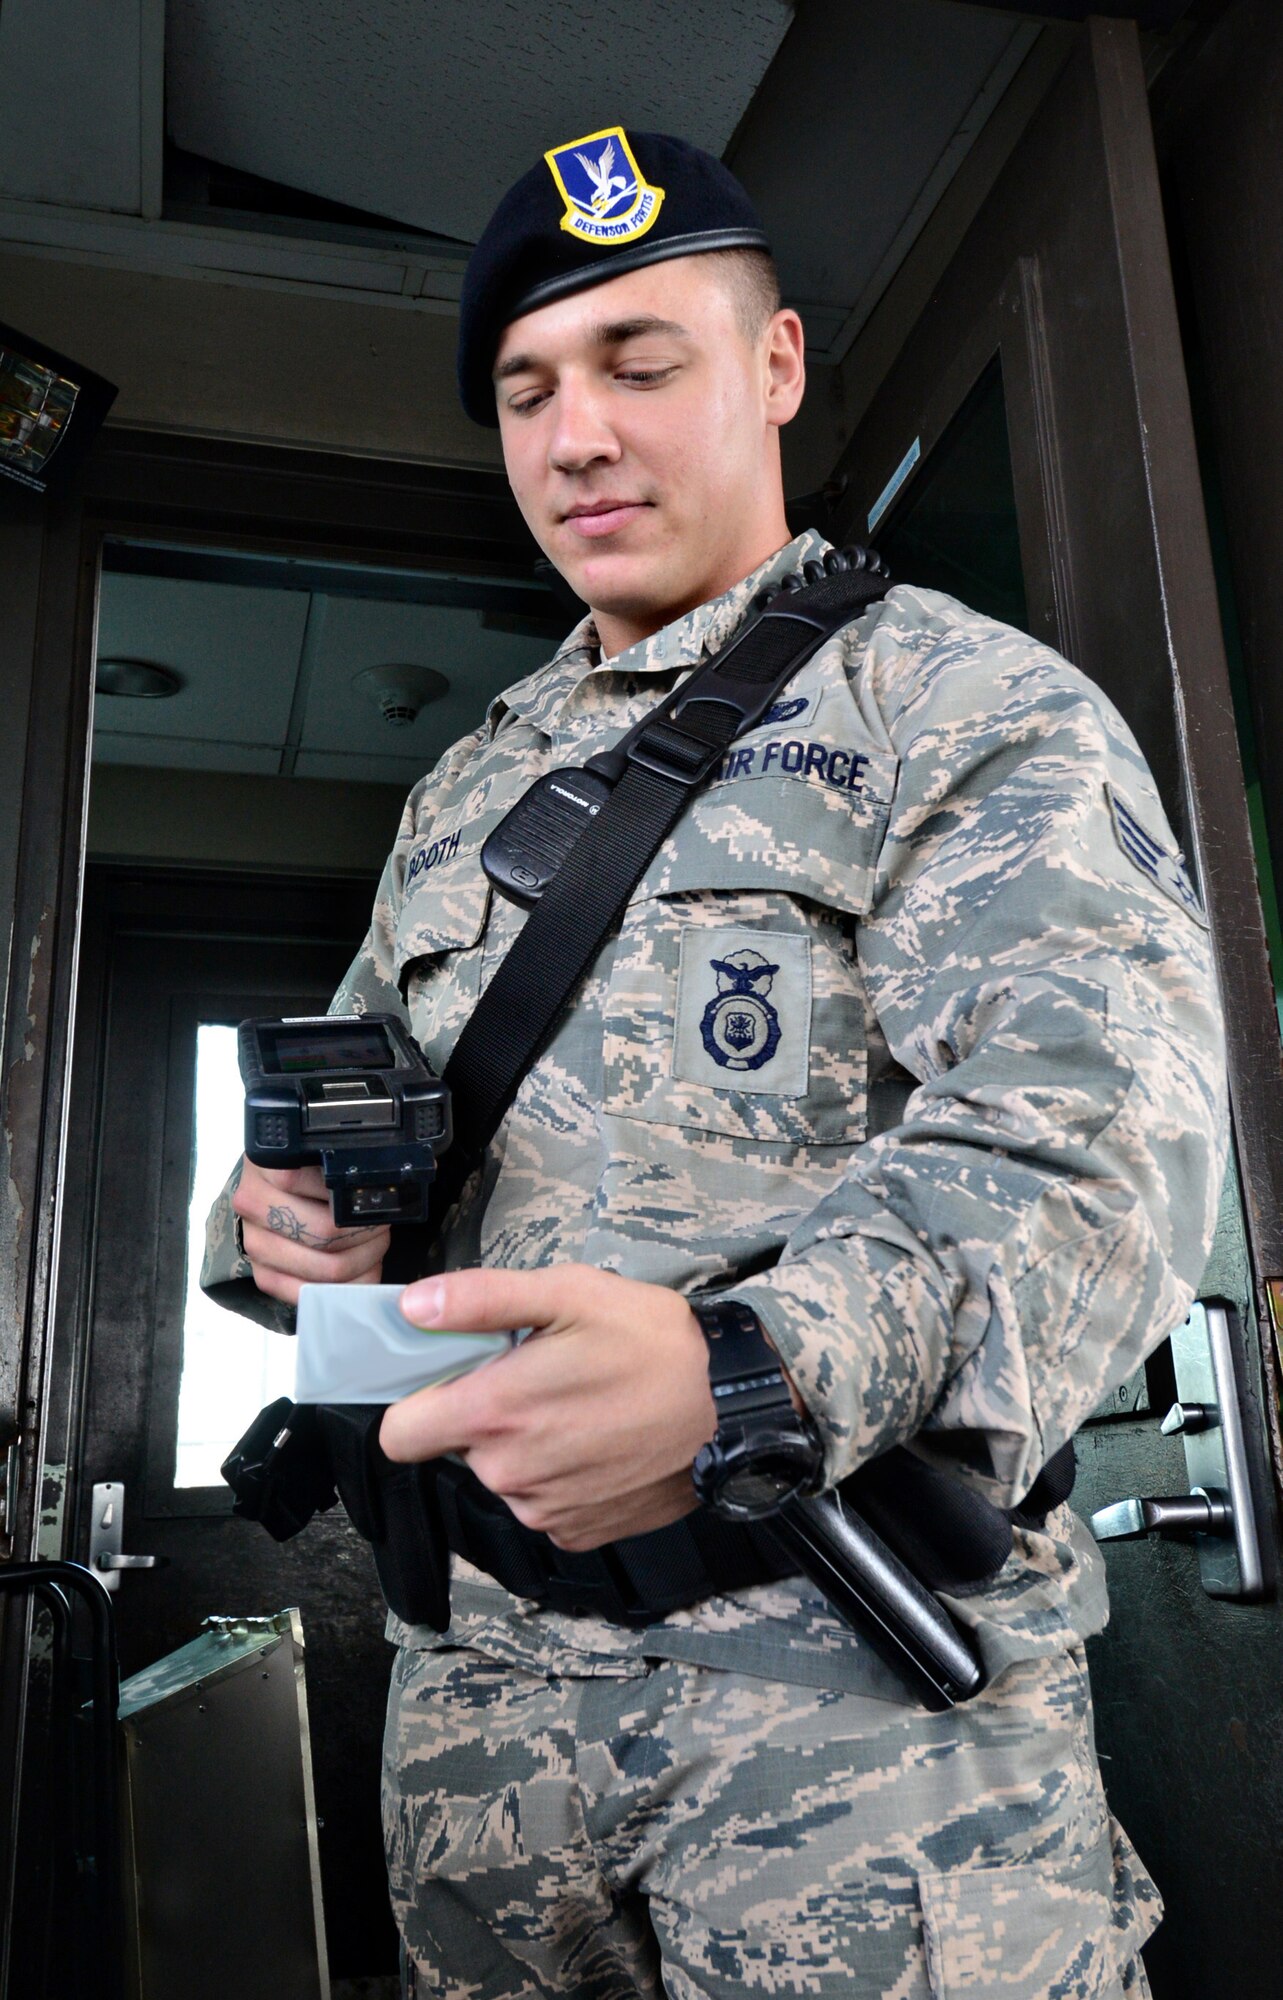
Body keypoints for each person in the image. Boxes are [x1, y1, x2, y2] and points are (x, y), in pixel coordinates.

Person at [203, 127, 1226, 1998]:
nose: (574, 435)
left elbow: (1094, 1147)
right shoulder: (466, 783)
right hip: (486, 1713)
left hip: (845, 1721)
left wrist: (750, 1368)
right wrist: (280, 1224)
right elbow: (357, 1092)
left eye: (638, 363)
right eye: (526, 392)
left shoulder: (962, 706)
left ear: (774, 368)